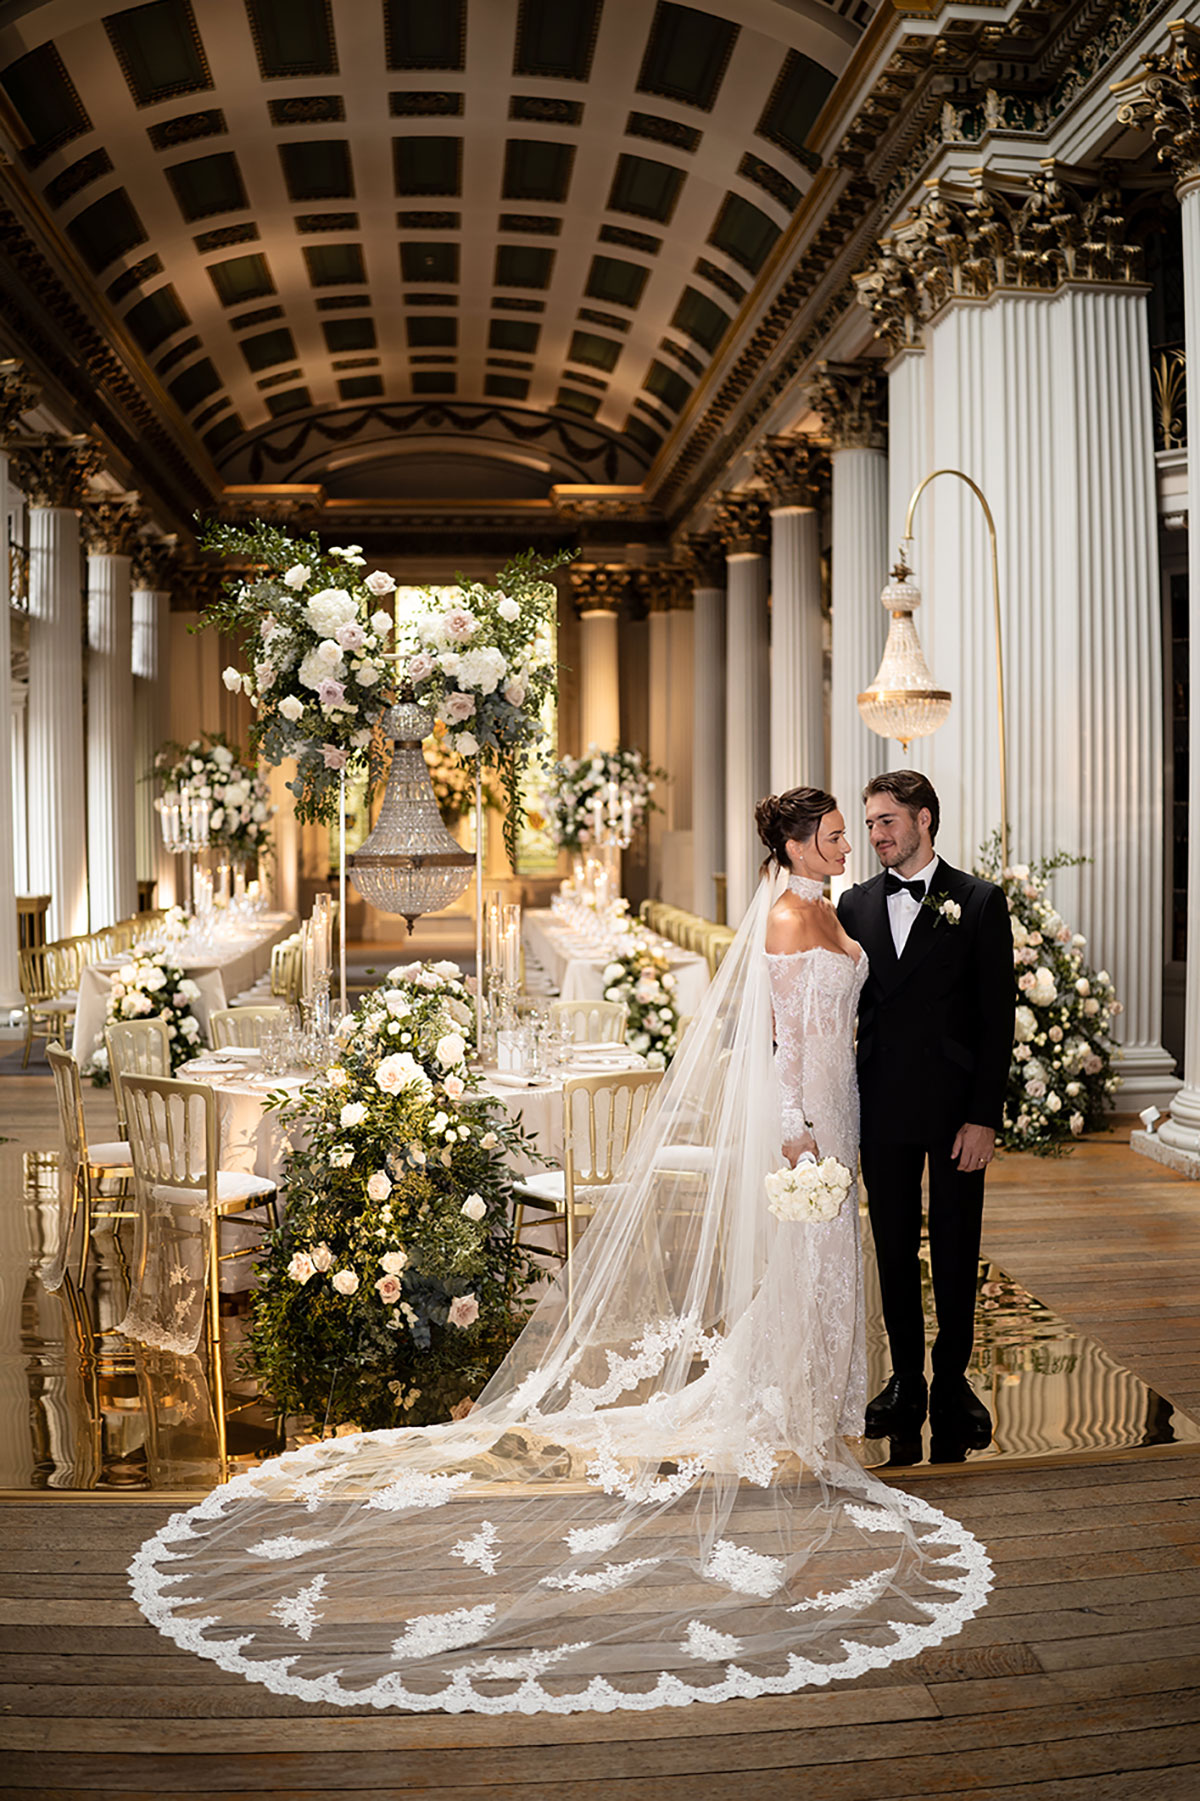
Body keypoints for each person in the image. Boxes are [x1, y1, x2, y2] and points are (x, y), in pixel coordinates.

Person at [128, 785, 991, 1716]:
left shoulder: (840, 906)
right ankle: (802, 1403)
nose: (850, 843)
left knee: (830, 1260)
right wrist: (791, 1122)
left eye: (855, 832)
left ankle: (825, 1394)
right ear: (792, 842)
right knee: (812, 1255)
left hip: (860, 1105)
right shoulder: (788, 914)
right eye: (833, 834)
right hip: (811, 1114)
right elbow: (780, 1039)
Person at [837, 771, 1016, 1453]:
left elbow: (996, 1020)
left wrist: (984, 1117)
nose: (877, 835)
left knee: (955, 1242)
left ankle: (952, 1378)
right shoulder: (853, 904)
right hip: (879, 1102)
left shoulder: (977, 901)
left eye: (888, 821)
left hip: (954, 1111)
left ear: (924, 820)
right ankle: (906, 1376)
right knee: (890, 1243)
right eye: (872, 822)